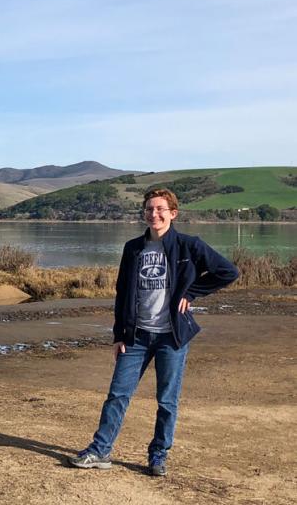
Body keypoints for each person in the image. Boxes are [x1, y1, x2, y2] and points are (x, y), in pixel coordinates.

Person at [70, 188, 238, 476]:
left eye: (160, 209)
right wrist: (119, 335)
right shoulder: (133, 248)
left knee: (167, 400)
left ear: (173, 213)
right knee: (117, 395)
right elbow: (122, 293)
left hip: (170, 337)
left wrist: (193, 292)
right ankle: (99, 451)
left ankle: (158, 455)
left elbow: (228, 272)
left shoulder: (188, 246)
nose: (154, 214)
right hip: (136, 337)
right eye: (149, 209)